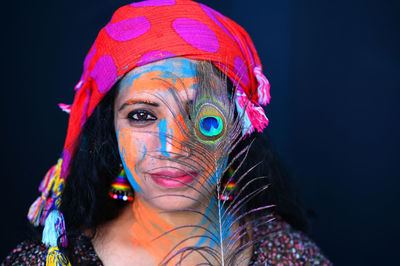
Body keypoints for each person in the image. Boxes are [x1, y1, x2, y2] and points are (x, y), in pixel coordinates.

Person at [3, 0, 332, 265]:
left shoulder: (291, 256)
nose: (173, 146)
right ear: (111, 131)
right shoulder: (49, 260)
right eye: (142, 115)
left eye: (204, 117)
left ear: (239, 126)